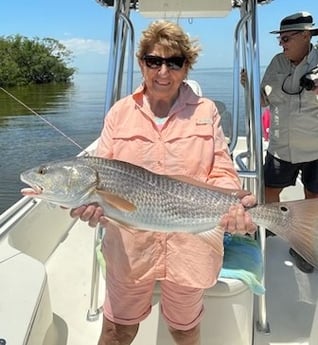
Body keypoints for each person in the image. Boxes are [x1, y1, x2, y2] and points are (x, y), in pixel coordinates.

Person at [72, 20, 256, 345]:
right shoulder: (119, 114)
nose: (163, 72)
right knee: (116, 331)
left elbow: (222, 172)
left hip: (192, 245)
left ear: (187, 68)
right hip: (130, 250)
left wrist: (234, 204)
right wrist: (92, 208)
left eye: (174, 62)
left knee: (185, 331)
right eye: (154, 61)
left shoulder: (206, 111)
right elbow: (101, 171)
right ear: (142, 63)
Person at [241, 11, 318, 273]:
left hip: (315, 148)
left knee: (313, 201)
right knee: (269, 192)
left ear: (306, 36)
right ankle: (270, 228)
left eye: (286, 39)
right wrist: (249, 86)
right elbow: (263, 99)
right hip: (280, 147)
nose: (282, 44)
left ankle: (304, 246)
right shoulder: (277, 63)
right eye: (280, 39)